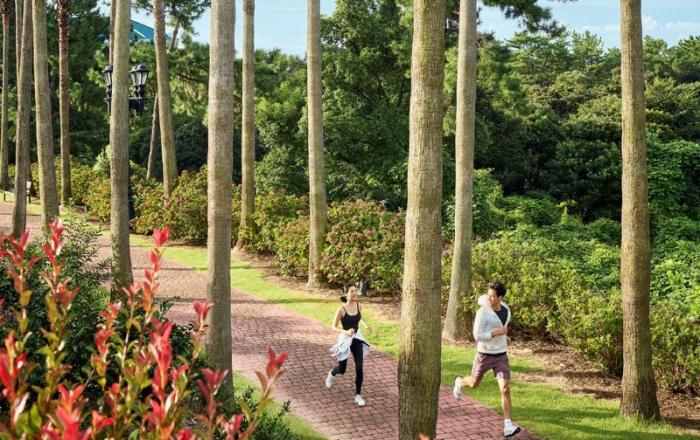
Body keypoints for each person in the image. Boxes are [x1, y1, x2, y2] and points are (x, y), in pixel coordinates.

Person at [453, 282, 521, 438]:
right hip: (484, 354)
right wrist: (496, 333)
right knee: (474, 383)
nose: (489, 298)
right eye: (488, 295)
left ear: (500, 297)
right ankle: (460, 382)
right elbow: (477, 335)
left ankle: (508, 425)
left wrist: (505, 338)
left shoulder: (506, 310)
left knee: (505, 388)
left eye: (492, 296)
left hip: (501, 354)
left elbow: (502, 329)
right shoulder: (482, 313)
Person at [325, 286, 371, 407]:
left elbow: (360, 317)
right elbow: (333, 326)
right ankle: (332, 373)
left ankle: (358, 395)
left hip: (357, 338)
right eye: (352, 291)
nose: (355, 293)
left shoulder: (359, 306)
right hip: (345, 339)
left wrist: (366, 326)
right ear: (347, 294)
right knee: (342, 369)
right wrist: (346, 332)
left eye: (356, 291)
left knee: (359, 368)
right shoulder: (341, 310)